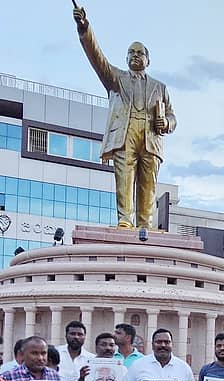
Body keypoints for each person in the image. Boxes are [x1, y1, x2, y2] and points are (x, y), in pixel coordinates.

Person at [72, 2, 177, 229]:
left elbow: (173, 117)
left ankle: (144, 225)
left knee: (148, 184)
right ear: (126, 58)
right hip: (125, 135)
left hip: (150, 138)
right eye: (131, 52)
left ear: (148, 60)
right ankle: (125, 220)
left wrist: (166, 122)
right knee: (124, 179)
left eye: (140, 53)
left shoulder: (160, 87)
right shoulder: (116, 79)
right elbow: (96, 57)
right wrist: (84, 28)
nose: (135, 56)